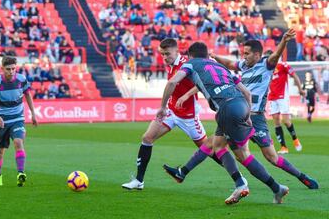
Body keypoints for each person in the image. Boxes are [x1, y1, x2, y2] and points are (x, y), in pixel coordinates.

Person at [164, 30, 319, 193]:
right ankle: (185, 173)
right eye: (243, 53)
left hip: (255, 116)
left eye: (247, 54)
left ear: (258, 55)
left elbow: (275, 56)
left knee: (270, 156)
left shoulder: (267, 64)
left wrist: (284, 42)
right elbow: (230, 65)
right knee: (215, 144)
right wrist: (215, 56)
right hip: (238, 112)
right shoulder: (244, 66)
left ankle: (299, 177)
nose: (243, 57)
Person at [159, 42, 289, 204]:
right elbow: (247, 93)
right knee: (213, 143)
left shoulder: (190, 63)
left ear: (191, 56)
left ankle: (273, 187)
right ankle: (183, 172)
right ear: (207, 55)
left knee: (240, 154)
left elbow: (172, 82)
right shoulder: (218, 66)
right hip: (241, 105)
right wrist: (247, 115)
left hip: (226, 109)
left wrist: (163, 107)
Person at [121, 38, 225, 191]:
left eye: (167, 54)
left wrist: (186, 95)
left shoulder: (187, 64)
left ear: (177, 51)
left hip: (188, 116)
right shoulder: (170, 65)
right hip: (171, 111)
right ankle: (139, 181)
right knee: (147, 138)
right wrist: (166, 106)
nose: (164, 57)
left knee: (207, 149)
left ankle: (238, 176)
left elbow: (202, 82)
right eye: (162, 54)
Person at [0, 56, 38, 187]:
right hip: (1, 121)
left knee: (18, 142)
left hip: (18, 118)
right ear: (2, 68)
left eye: (14, 68)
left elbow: (28, 95)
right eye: (8, 69)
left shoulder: (22, 79)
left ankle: (21, 173)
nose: (11, 71)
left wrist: (33, 113)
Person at [267, 51, 306, 154]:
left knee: (286, 121)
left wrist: (300, 89)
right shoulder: (267, 68)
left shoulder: (283, 65)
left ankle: (295, 139)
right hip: (272, 97)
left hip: (282, 96)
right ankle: (284, 147)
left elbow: (295, 76)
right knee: (276, 122)